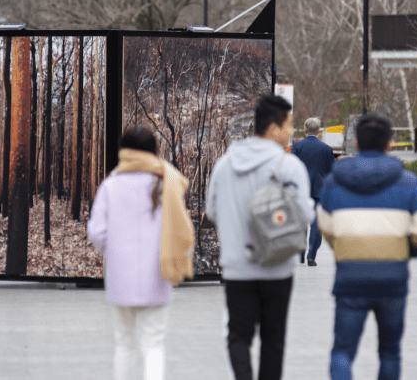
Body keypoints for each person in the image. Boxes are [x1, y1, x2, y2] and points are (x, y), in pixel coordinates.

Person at [317, 113, 417, 380]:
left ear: (357, 143)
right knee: (390, 352)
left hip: (350, 278)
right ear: (390, 144)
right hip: (393, 279)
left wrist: (344, 246)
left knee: (342, 351)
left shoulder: (333, 182)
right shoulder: (408, 183)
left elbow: (325, 226)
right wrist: (410, 251)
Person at [206, 94, 315, 380]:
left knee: (238, 336)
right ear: (274, 127)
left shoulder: (225, 164)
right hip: (278, 267)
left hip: (237, 266)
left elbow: (212, 211)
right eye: (289, 125)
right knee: (273, 338)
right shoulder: (289, 167)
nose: (291, 132)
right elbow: (306, 215)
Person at [87, 126, 195, 380]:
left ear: (123, 152)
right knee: (153, 344)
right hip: (158, 275)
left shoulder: (110, 185)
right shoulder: (166, 183)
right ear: (154, 151)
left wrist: (112, 252)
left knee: (124, 344)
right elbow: (183, 230)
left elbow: (97, 232)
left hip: (119, 279)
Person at [291, 117, 335, 266]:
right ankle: (311, 256)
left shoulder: (297, 146)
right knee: (317, 225)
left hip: (301, 191)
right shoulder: (327, 149)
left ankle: (300, 255)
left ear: (304, 130)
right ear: (319, 132)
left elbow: (291, 169)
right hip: (320, 191)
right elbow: (331, 173)